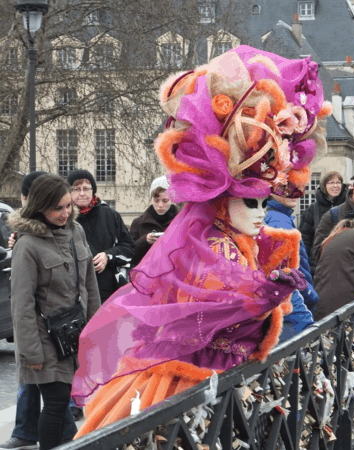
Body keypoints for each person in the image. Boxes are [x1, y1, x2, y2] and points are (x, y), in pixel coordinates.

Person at [70, 46, 331, 437]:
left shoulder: (246, 239)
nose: (260, 211)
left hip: (227, 383)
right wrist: (266, 294)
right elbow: (210, 307)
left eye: (265, 201)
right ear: (226, 202)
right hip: (188, 378)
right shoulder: (207, 241)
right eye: (251, 201)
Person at [8, 175, 100, 450]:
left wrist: (96, 329)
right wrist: (31, 353)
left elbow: (89, 285)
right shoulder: (27, 245)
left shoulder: (76, 232)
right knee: (58, 401)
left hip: (73, 334)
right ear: (40, 206)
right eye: (57, 208)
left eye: (68, 206)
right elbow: (21, 305)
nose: (65, 213)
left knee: (64, 404)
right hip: (43, 337)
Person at [66, 170, 135, 303]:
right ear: (69, 192)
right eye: (76, 189)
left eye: (86, 188)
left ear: (93, 190)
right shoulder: (64, 217)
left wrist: (108, 256)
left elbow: (129, 249)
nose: (82, 193)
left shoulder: (110, 215)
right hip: (73, 292)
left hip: (107, 292)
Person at [264, 194, 316, 339]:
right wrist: (310, 294)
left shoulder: (279, 218)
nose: (294, 193)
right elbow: (289, 272)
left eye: (299, 188)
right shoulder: (278, 221)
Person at [299, 171, 347, 274]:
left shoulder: (348, 207)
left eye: (338, 183)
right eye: (331, 183)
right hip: (318, 265)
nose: (335, 186)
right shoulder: (313, 209)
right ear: (324, 185)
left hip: (344, 263)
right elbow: (305, 239)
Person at [129, 176, 179, 268]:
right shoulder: (138, 223)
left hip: (174, 274)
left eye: (165, 201)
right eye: (156, 201)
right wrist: (145, 240)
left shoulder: (180, 222)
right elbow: (129, 254)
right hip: (146, 275)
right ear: (151, 199)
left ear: (172, 199)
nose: (160, 205)